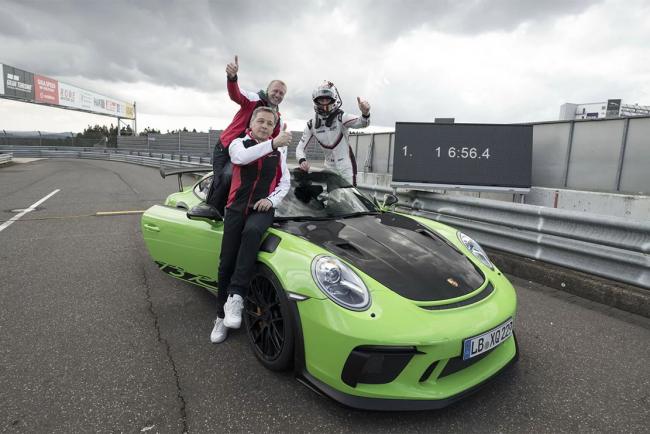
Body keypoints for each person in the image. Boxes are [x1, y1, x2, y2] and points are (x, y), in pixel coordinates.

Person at [210, 106, 292, 343]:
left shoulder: (279, 151)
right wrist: (274, 144)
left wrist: (270, 199)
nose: (265, 126)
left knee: (253, 230)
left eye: (269, 123)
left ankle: (236, 297)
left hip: (261, 209)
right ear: (252, 123)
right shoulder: (239, 143)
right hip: (236, 209)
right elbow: (240, 159)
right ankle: (219, 316)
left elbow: (284, 183)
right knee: (226, 264)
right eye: (261, 122)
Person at [204, 55, 287, 217]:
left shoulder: (278, 117)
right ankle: (211, 210)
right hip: (227, 147)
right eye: (275, 91)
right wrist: (232, 77)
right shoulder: (254, 99)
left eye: (281, 93)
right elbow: (236, 94)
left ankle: (236, 212)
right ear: (268, 90)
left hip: (250, 154)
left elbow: (275, 142)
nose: (278, 95)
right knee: (226, 177)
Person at [295, 81, 371, 185]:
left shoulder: (341, 117)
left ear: (333, 100)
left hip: (347, 167)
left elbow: (362, 123)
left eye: (328, 99)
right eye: (322, 99)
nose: (325, 102)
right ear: (316, 101)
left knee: (350, 199)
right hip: (329, 168)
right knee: (332, 199)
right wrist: (302, 160)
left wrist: (365, 113)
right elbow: (300, 148)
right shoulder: (311, 124)